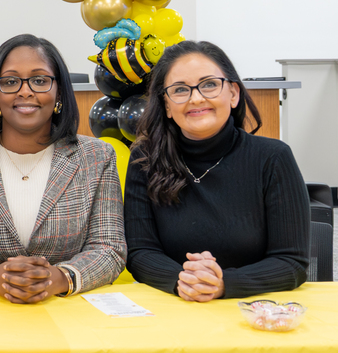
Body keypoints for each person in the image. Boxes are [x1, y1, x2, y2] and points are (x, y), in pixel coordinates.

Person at [0, 34, 125, 303]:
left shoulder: (97, 157)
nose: (25, 91)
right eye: (10, 81)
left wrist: (58, 278)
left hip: (70, 315)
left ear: (59, 91)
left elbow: (108, 248)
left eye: (40, 80)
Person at [125, 41, 309, 301]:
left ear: (233, 93)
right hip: (173, 308)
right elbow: (140, 251)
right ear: (166, 105)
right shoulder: (145, 159)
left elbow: (292, 261)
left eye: (209, 84)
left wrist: (223, 283)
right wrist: (182, 280)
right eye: (180, 90)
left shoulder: (273, 158)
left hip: (253, 310)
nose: (196, 98)